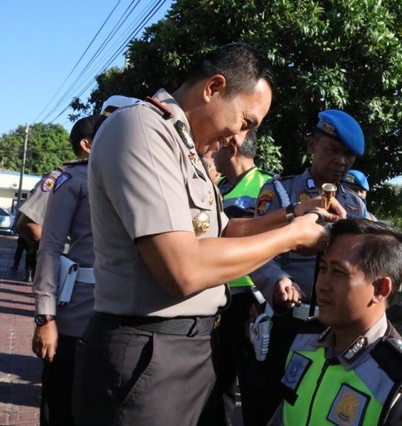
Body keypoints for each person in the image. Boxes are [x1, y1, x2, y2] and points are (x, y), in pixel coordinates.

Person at [72, 43, 338, 426]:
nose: (238, 140)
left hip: (192, 347)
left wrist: (296, 212)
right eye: (245, 122)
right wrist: (293, 236)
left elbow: (223, 231)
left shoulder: (188, 148)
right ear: (213, 87)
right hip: (148, 352)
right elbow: (183, 269)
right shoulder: (142, 130)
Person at [244, 109, 369, 424]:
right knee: (267, 407)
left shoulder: (355, 206)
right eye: (333, 150)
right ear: (312, 145)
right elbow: (260, 252)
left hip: (333, 330)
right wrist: (279, 281)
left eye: (348, 156)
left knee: (318, 408)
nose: (341, 161)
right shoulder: (280, 192)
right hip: (288, 324)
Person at [269, 218, 402, 425]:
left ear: (380, 289)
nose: (321, 284)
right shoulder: (305, 340)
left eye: (338, 272)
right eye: (323, 268)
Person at [199, 129, 273, 424]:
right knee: (216, 389)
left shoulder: (268, 187)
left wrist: (264, 297)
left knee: (254, 389)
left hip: (251, 306)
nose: (213, 149)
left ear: (232, 146)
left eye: (220, 143)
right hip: (217, 302)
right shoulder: (216, 188)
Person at [31, 114, 100, 426]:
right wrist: (45, 317)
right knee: (61, 407)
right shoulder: (73, 180)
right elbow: (48, 245)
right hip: (75, 316)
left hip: (117, 317)